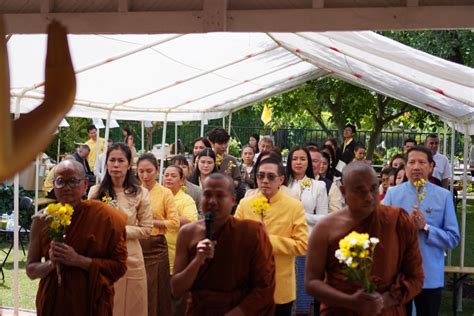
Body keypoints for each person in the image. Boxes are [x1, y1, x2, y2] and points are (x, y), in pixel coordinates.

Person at [305, 161, 424, 315]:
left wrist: (384, 300)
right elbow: (311, 282)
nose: (369, 197)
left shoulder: (397, 221)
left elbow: (416, 277)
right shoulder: (325, 229)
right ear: (343, 191)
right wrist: (351, 301)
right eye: (359, 190)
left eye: (374, 189)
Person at [26, 159, 128, 316]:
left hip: (90, 302)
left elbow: (119, 267)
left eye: (73, 181)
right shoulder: (42, 220)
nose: (67, 187)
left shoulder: (105, 217)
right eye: (60, 181)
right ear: (54, 185)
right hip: (53, 302)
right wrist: (52, 263)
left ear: (85, 184)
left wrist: (78, 260)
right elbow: (31, 270)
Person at [171, 173, 276, 315]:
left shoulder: (251, 232)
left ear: (233, 200)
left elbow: (265, 287)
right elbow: (176, 289)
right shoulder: (187, 233)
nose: (212, 201)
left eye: (220, 196)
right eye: (207, 195)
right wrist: (197, 260)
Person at [384, 145, 460, 315]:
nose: (416, 167)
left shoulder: (444, 196)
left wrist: (426, 228)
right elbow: (379, 231)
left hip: (429, 276)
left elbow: (453, 238)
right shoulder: (393, 194)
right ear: (405, 166)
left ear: (431, 166)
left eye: (421, 162)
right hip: (398, 275)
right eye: (411, 162)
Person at [235, 158, 308, 315]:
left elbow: (302, 245)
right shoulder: (245, 204)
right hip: (249, 286)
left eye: (270, 177)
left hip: (280, 289)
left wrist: (267, 240)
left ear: (281, 180)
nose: (265, 181)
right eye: (260, 176)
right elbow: (234, 241)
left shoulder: (294, 206)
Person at [88, 142, 153, 316]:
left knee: (132, 307)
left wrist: (118, 231)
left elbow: (147, 229)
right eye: (112, 160)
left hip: (130, 259)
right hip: (102, 258)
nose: (116, 165)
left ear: (129, 163)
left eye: (121, 160)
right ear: (106, 163)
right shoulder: (95, 192)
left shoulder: (140, 193)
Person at [137, 154, 180, 316]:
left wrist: (151, 222)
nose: (145, 176)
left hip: (156, 247)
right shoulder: (133, 191)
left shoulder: (165, 193)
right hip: (136, 246)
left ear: (157, 171)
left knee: (157, 292)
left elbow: (174, 222)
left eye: (149, 171)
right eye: (141, 171)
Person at [163, 165, 199, 316]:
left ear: (182, 180)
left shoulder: (186, 200)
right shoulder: (159, 196)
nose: (169, 178)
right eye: (166, 175)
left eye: (173, 175)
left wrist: (164, 220)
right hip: (158, 254)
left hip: (177, 256)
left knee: (176, 301)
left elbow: (190, 221)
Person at [286, 146, 328, 231]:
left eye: (302, 159)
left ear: (308, 163)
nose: (298, 162)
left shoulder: (318, 186)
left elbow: (323, 218)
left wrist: (302, 215)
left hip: (307, 234)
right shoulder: (282, 184)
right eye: (294, 159)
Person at [307, 146, 343, 213]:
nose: (311, 164)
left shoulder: (331, 187)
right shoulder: (292, 182)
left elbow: (335, 214)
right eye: (309, 160)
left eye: (315, 161)